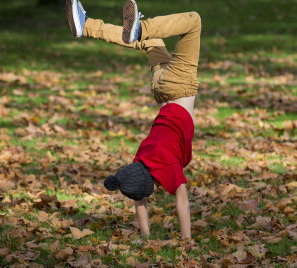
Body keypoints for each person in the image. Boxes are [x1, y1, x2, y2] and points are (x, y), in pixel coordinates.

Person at [65, 0, 202, 239]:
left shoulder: (167, 166)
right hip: (159, 88)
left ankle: (139, 28)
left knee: (194, 21)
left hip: (178, 88)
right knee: (151, 42)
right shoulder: (141, 157)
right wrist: (144, 239)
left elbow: (182, 202)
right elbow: (139, 197)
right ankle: (85, 26)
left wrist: (186, 240)